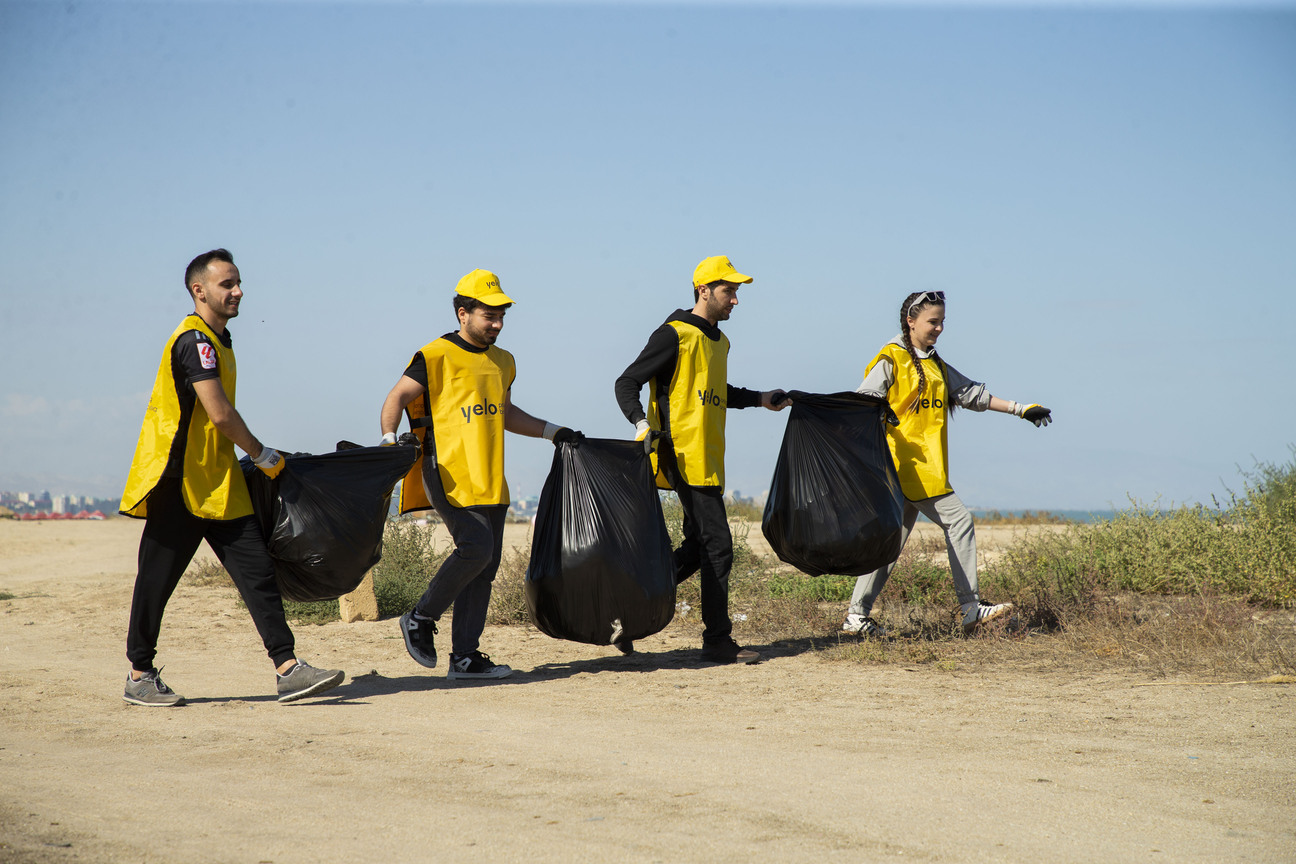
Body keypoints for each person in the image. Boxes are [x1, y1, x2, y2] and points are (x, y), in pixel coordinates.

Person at [119, 249, 345, 706]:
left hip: (218, 481)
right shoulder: (195, 341)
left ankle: (288, 668)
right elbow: (219, 414)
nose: (238, 291)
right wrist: (262, 454)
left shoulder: (221, 340)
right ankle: (139, 674)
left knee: (257, 574)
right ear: (199, 291)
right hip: (178, 483)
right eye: (227, 284)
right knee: (156, 581)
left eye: (239, 282)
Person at [381, 269, 581, 680]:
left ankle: (465, 659)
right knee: (476, 548)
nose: (497, 324)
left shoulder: (503, 361)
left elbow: (506, 413)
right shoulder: (434, 354)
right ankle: (420, 617)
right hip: (447, 470)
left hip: (491, 475)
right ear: (462, 313)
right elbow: (397, 397)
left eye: (501, 316)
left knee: (484, 568)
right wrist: (388, 440)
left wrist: (551, 431)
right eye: (488, 315)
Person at [843, 290, 1052, 638]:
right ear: (911, 321)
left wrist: (1020, 408)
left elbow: (972, 395)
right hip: (902, 468)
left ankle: (856, 616)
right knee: (959, 520)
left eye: (942, 322)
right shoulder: (891, 358)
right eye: (932, 321)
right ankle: (971, 607)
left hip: (925, 468)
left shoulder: (934, 363)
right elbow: (862, 402)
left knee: (889, 546)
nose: (939, 328)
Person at [615, 255, 788, 664]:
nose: (736, 300)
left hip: (709, 457)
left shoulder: (719, 341)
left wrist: (760, 400)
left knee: (697, 546)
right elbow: (627, 382)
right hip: (680, 452)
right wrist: (641, 425)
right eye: (729, 291)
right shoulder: (674, 334)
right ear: (703, 290)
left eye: (737, 292)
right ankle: (717, 641)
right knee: (718, 545)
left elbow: (715, 390)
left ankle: (627, 612)